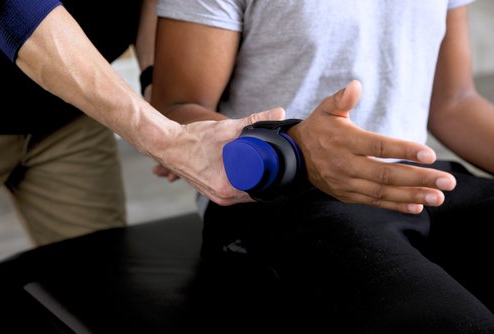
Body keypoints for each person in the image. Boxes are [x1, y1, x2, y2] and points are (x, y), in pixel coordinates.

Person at [151, 0, 494, 332]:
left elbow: (455, 101)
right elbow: (177, 108)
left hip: (417, 182)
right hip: (281, 197)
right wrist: (297, 149)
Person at [0, 0, 284, 246]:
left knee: (94, 273)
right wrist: (166, 139)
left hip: (70, 115)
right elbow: (13, 10)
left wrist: (157, 95)